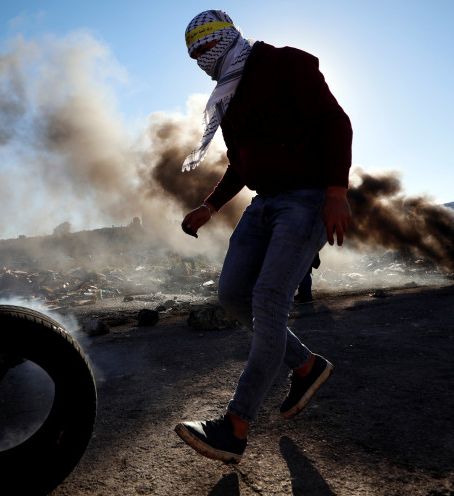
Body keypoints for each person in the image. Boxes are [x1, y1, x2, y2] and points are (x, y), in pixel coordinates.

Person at [175, 10, 353, 464]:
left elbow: (336, 122)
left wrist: (335, 192)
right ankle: (308, 366)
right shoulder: (226, 96)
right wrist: (210, 206)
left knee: (269, 301)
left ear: (229, 37)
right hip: (265, 201)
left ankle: (234, 428)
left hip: (307, 198)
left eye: (206, 47)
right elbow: (242, 162)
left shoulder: (283, 64)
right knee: (234, 294)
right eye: (193, 54)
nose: (201, 58)